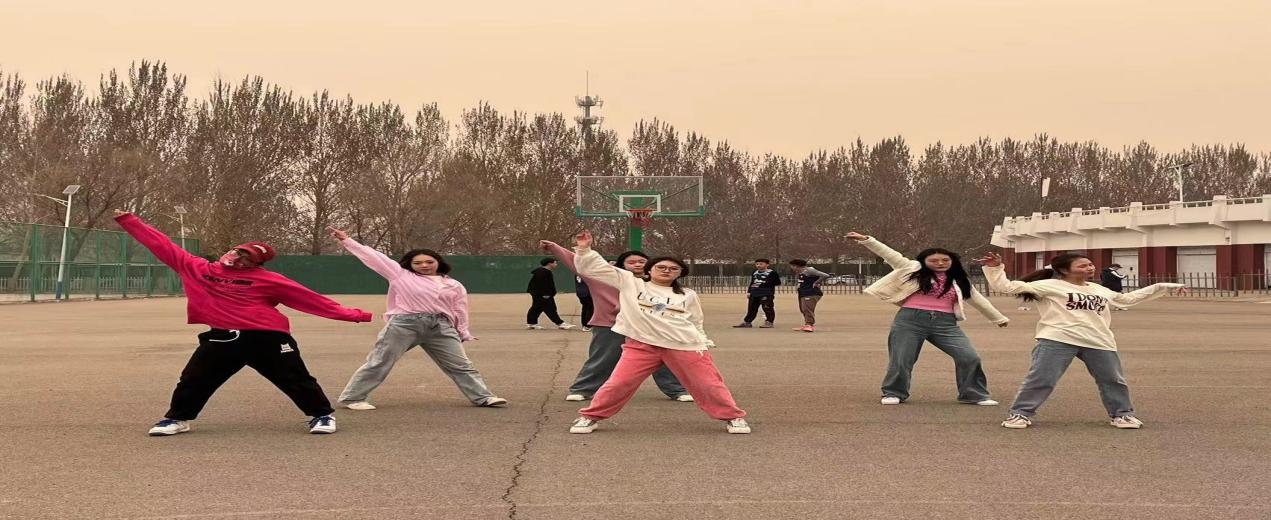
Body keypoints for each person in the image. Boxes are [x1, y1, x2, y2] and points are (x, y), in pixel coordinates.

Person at [112, 210, 373, 436]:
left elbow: (312, 301)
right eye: (239, 252)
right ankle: (177, 419)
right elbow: (161, 245)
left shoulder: (270, 280)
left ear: (256, 264)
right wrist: (129, 221)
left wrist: (357, 315)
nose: (238, 258)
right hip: (222, 337)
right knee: (194, 378)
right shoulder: (198, 268)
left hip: (268, 338)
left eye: (247, 258)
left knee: (295, 378)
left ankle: (322, 415)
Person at [567, 231, 750, 434]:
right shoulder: (631, 283)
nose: (666, 271)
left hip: (684, 345)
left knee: (709, 384)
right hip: (641, 345)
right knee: (618, 383)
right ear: (649, 270)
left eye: (673, 268)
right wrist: (584, 248)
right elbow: (592, 268)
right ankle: (590, 417)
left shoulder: (688, 295)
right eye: (661, 267)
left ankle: (733, 417)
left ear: (680, 273)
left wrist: (703, 341)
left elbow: (695, 321)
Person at [978, 252, 1186, 429]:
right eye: (1083, 265)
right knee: (1042, 379)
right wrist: (995, 268)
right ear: (1064, 270)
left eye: (1090, 264)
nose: (1090, 268)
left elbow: (1126, 300)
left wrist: (1162, 286)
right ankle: (1020, 414)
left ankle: (1122, 414)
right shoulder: (1048, 285)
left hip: (1098, 340)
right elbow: (1006, 287)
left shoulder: (1099, 289)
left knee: (1113, 380)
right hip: (1057, 338)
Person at [327, 227, 508, 410]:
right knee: (380, 361)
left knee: (461, 365)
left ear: (438, 262)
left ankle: (483, 397)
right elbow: (374, 257)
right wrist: (347, 240)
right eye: (418, 263)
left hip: (440, 327)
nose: (424, 265)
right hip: (405, 325)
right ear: (410, 264)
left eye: (429, 262)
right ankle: (353, 398)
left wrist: (463, 331)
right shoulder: (400, 275)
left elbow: (459, 309)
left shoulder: (453, 284)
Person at [848, 232, 1009, 406]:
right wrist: (867, 240)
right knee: (901, 359)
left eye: (945, 260)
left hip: (945, 324)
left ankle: (974, 394)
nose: (940, 263)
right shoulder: (912, 268)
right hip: (910, 320)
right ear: (924, 261)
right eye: (934, 260)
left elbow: (978, 300)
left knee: (969, 357)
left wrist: (998, 318)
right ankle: (894, 392)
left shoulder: (960, 280)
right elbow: (889, 254)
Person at [540, 240, 693, 403]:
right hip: (610, 324)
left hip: (649, 326)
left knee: (663, 357)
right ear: (622, 265)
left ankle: (676, 389)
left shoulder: (655, 283)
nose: (637, 264)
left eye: (642, 261)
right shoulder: (602, 279)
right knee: (603, 358)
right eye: (631, 262)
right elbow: (578, 262)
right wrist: (554, 247)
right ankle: (582, 389)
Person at [526, 258, 575, 330]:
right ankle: (560, 323)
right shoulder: (543, 272)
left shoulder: (544, 272)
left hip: (540, 294)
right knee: (550, 309)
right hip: (543, 295)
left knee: (537, 308)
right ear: (549, 263)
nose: (556, 264)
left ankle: (531, 323)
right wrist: (545, 294)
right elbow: (541, 285)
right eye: (555, 263)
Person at [733, 258, 781, 328]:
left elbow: (777, 282)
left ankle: (769, 322)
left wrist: (764, 284)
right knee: (751, 308)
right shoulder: (755, 272)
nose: (758, 265)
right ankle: (747, 322)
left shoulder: (772, 273)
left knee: (767, 308)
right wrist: (749, 291)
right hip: (754, 292)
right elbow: (752, 282)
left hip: (766, 293)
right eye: (757, 264)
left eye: (761, 264)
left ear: (767, 264)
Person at [788, 259, 831, 332]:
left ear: (796, 266)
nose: (791, 268)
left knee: (807, 309)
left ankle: (809, 324)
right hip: (803, 292)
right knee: (803, 309)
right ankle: (807, 324)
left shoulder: (809, 270)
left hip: (811, 292)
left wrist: (817, 282)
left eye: (792, 266)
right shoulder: (800, 272)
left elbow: (825, 275)